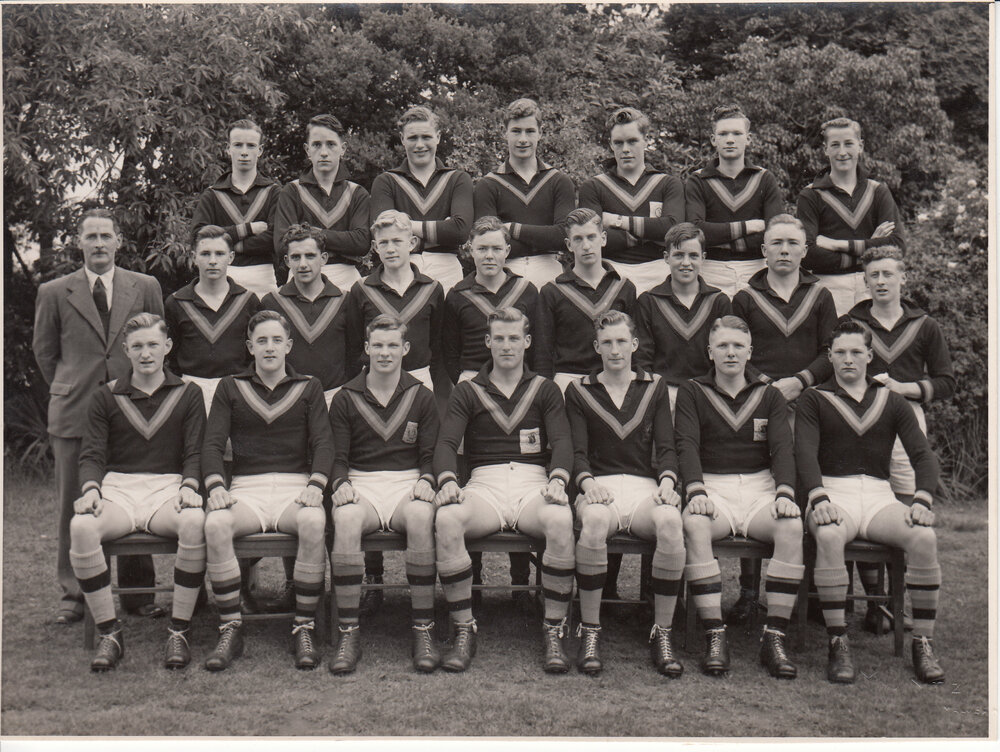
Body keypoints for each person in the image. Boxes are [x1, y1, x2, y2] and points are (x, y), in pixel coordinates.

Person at [33, 208, 164, 624]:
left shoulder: (145, 286)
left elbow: (157, 340)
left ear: (119, 241)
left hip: (133, 409)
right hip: (74, 410)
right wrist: (74, 385)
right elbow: (45, 352)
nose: (99, 243)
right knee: (73, 503)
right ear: (79, 242)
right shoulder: (55, 291)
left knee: (134, 496)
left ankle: (138, 593)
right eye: (91, 236)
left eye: (106, 235)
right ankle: (75, 594)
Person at [795, 320, 944, 684]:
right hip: (832, 493)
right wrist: (818, 497)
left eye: (856, 352)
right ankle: (838, 641)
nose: (848, 359)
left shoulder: (891, 400)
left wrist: (922, 500)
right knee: (829, 534)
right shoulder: (814, 398)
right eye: (840, 352)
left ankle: (923, 642)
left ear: (870, 356)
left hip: (878, 496)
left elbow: (923, 456)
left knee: (924, 537)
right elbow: (805, 455)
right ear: (830, 356)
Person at [433, 307, 575, 673]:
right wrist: (448, 481)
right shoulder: (468, 389)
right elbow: (446, 443)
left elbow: (562, 441)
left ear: (527, 342)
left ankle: (553, 629)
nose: (507, 346)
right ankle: (464, 628)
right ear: (488, 342)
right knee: (447, 519)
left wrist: (558, 480)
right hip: (486, 484)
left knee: (560, 520)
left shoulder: (545, 389)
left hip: (532, 483)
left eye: (514, 338)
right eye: (499, 338)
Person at [70, 314, 206, 671]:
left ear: (167, 347)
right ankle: (109, 632)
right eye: (138, 346)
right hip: (120, 490)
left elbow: (195, 452)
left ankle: (179, 630)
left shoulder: (188, 393)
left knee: (194, 522)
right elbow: (92, 454)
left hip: (167, 489)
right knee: (82, 527)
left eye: (153, 345)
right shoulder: (106, 396)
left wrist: (190, 486)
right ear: (125, 350)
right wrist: (91, 490)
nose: (146, 353)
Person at [200, 310, 334, 671]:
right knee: (216, 523)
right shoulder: (230, 386)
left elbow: (324, 443)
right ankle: (230, 627)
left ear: (289, 345)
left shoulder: (309, 386)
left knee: (312, 521)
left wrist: (316, 485)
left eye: (277, 340)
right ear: (250, 347)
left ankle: (304, 626)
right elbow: (212, 445)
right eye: (262, 341)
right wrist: (216, 486)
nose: (269, 347)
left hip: (294, 487)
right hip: (248, 489)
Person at [675, 315, 803, 678]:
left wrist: (784, 492)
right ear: (710, 352)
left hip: (760, 488)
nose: (730, 353)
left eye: (737, 346)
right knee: (695, 523)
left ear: (750, 352)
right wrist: (696, 490)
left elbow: (783, 449)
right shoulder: (692, 391)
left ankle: (774, 637)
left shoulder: (769, 394)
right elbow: (687, 445)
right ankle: (715, 634)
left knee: (791, 527)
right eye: (723, 346)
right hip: (714, 487)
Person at [565, 311, 684, 676]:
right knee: (594, 521)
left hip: (643, 486)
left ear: (634, 345)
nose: (615, 350)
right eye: (607, 343)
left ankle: (662, 631)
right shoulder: (579, 390)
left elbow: (667, 447)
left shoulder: (655, 385)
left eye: (621, 342)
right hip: (599, 485)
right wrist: (588, 485)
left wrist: (667, 483)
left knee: (669, 522)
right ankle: (590, 630)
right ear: (596, 347)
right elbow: (577, 453)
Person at [844, 246, 955, 630]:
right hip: (859, 420)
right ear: (865, 280)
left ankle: (898, 602)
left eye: (888, 274)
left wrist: (903, 388)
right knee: (864, 506)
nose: (881, 282)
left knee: (906, 512)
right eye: (874, 275)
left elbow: (946, 382)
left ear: (902, 278)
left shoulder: (924, 324)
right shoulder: (852, 321)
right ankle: (876, 603)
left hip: (907, 419)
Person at [328, 315, 441, 674]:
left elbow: (430, 454)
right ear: (366, 348)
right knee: (346, 518)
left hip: (406, 483)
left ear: (406, 349)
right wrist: (341, 484)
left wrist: (427, 479)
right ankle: (348, 632)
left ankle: (423, 628)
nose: (385, 352)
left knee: (421, 515)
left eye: (392, 345)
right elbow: (337, 457)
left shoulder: (422, 396)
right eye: (377, 345)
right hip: (362, 482)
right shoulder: (345, 397)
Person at [796, 117, 905, 316]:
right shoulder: (811, 195)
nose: (842, 152)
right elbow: (808, 254)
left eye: (848, 143)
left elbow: (896, 246)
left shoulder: (878, 191)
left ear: (860, 146)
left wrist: (837, 245)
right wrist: (871, 247)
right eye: (835, 145)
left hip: (873, 285)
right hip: (828, 288)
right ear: (826, 149)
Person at [732, 214, 837, 405]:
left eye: (793, 243)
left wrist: (799, 382)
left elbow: (831, 352)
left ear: (805, 251)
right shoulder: (745, 298)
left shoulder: (821, 296)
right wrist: (769, 387)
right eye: (777, 243)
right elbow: (736, 354)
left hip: (810, 398)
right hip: (757, 397)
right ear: (764, 250)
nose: (784, 250)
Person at [578, 106, 684, 295]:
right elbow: (592, 239)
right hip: (611, 271)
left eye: (632, 141)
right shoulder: (593, 187)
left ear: (646, 140)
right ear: (611, 144)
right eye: (618, 143)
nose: (625, 149)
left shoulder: (668, 183)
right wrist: (651, 234)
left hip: (659, 270)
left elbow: (673, 231)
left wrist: (618, 222)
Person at [473, 98, 576, 288]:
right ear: (505, 132)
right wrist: (545, 238)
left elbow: (564, 236)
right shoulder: (488, 185)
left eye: (530, 131)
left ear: (540, 133)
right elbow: (488, 243)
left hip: (550, 270)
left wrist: (512, 229)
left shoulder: (559, 181)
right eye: (516, 131)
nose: (523, 139)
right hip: (504, 272)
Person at [370, 105, 473, 292]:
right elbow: (384, 232)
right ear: (402, 139)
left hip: (447, 269)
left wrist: (404, 226)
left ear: (438, 137)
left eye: (426, 137)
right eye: (412, 138)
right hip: (400, 267)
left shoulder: (457, 179)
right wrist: (443, 229)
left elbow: (460, 231)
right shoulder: (386, 181)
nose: (419, 145)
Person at [685, 104, 783, 297]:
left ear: (748, 139)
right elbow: (696, 231)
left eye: (737, 133)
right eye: (723, 134)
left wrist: (718, 237)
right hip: (710, 270)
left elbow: (775, 233)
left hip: (757, 269)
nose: (730, 140)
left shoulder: (764, 178)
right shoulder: (698, 180)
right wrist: (749, 227)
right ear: (713, 139)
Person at [535, 208, 636, 392]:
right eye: (578, 239)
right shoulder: (552, 291)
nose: (586, 246)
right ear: (568, 244)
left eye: (591, 237)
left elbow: (634, 346)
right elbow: (543, 352)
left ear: (603, 238)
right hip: (568, 380)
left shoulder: (624, 287)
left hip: (614, 379)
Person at [634, 222, 732, 412]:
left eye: (693, 255)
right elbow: (642, 358)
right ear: (666, 257)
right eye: (678, 255)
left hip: (709, 392)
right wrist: (656, 395)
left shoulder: (719, 301)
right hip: (664, 393)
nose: (686, 263)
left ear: (703, 258)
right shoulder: (648, 301)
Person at [345, 210, 444, 393]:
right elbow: (354, 346)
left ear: (412, 243)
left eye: (397, 241)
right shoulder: (361, 289)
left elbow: (437, 346)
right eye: (384, 242)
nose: (390, 249)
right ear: (375, 247)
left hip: (420, 379)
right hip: (375, 381)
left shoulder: (432, 289)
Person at [274, 114, 371, 291]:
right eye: (317, 145)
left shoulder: (357, 193)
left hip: (346, 276)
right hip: (301, 274)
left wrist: (311, 232)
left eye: (331, 144)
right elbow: (282, 244)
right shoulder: (292, 191)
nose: (324, 152)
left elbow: (361, 242)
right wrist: (342, 240)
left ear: (343, 149)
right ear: (307, 150)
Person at [261, 224, 352, 409]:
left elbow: (354, 354)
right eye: (296, 257)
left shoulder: (346, 300)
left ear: (323, 258)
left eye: (310, 256)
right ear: (287, 261)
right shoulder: (272, 302)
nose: (303, 264)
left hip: (335, 397)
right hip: (288, 398)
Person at [444, 216, 540, 384]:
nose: (489, 256)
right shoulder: (457, 296)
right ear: (471, 250)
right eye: (482, 249)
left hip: (518, 379)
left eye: (496, 249)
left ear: (507, 251)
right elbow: (450, 353)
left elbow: (537, 347)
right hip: (473, 380)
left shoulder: (526, 290)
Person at [191, 118, 281, 296]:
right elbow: (198, 237)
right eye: (238, 145)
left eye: (251, 146)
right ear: (228, 148)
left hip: (263, 278)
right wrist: (246, 229)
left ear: (260, 150)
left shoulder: (273, 192)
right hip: (221, 278)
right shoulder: (213, 194)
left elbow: (276, 238)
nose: (244, 152)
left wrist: (231, 245)